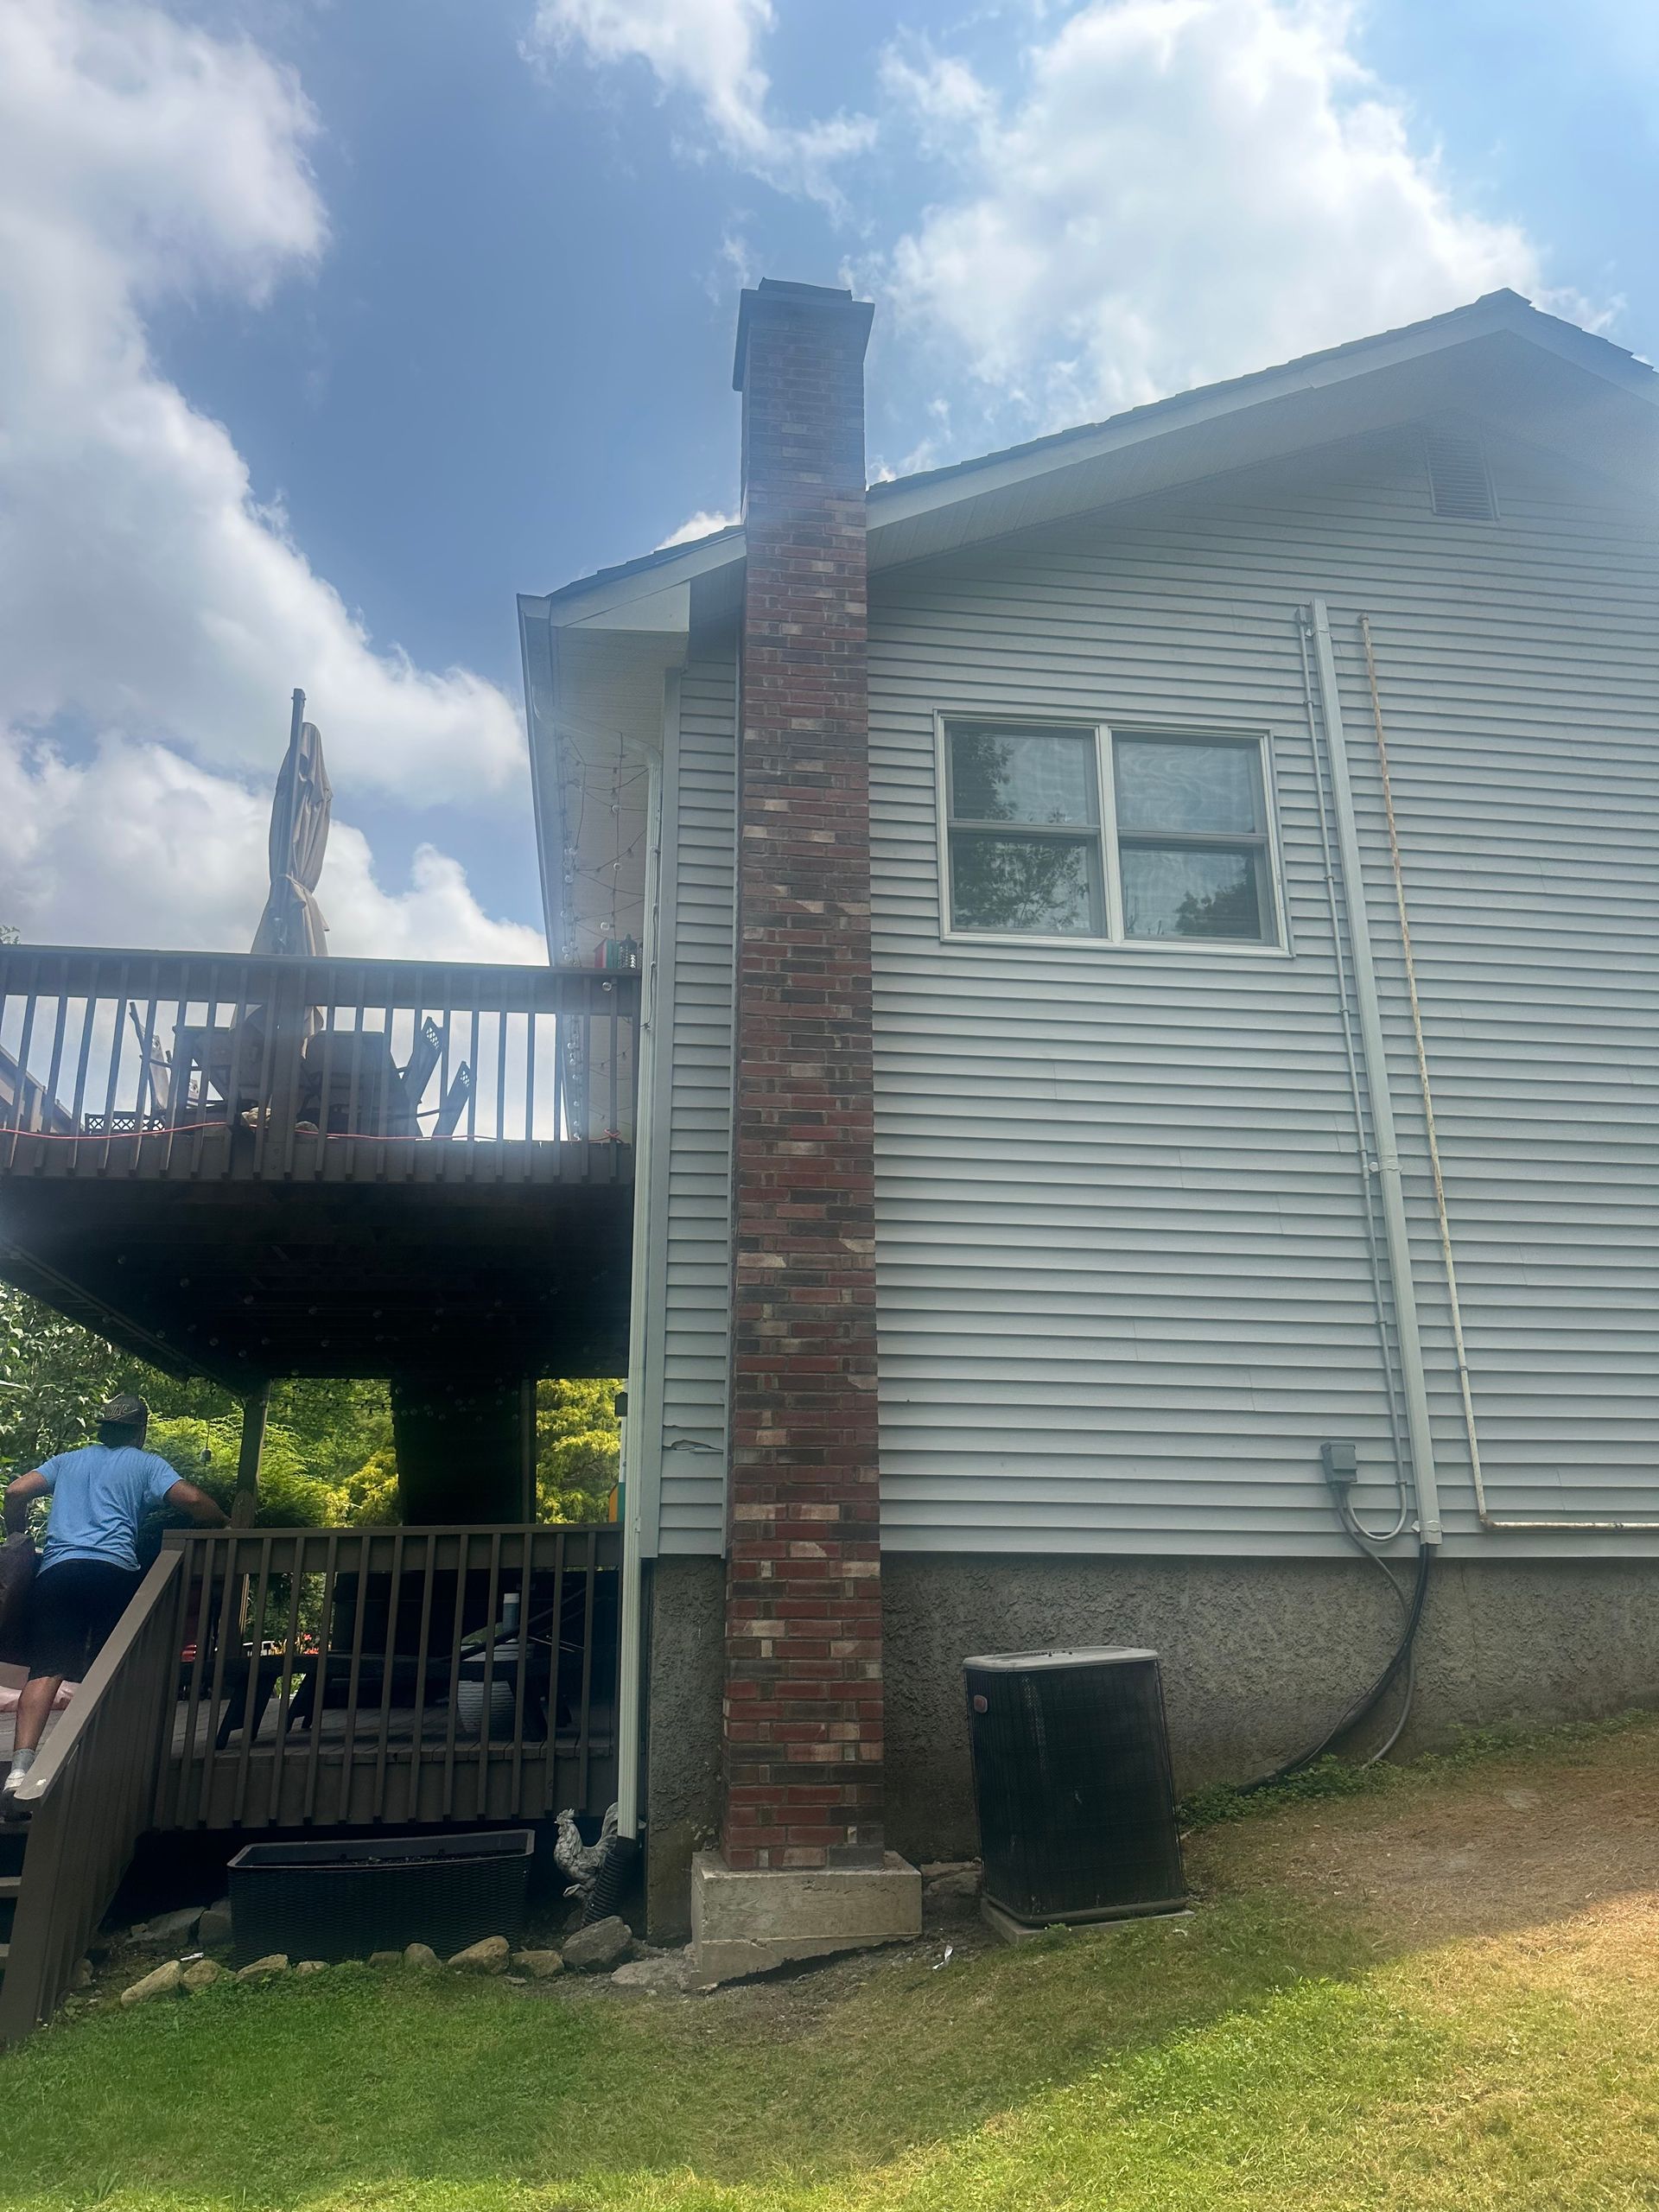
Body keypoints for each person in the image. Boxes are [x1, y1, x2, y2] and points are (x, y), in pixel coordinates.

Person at [2, 1393, 226, 1802]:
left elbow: (17, 1491)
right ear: (140, 1431)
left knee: (47, 1667)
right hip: (113, 1573)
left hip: (58, 1572)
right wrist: (222, 1523)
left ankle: (19, 1772)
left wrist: (16, 1533)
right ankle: (99, 1765)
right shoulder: (146, 1463)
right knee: (112, 1667)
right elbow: (194, 1500)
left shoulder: (69, 1461)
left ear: (103, 1428)